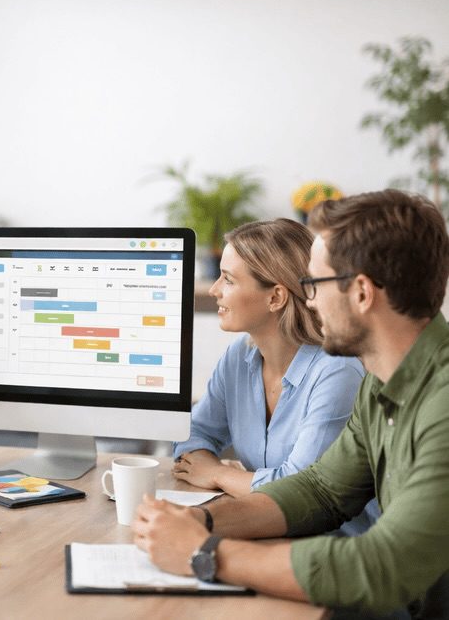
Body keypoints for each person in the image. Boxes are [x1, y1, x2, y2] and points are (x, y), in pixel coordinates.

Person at [132, 190, 449, 617]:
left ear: (360, 293)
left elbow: (382, 566)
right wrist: (204, 522)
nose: (310, 301)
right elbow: (322, 490)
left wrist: (205, 552)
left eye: (314, 284)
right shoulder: (382, 382)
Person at [171, 218, 376, 534]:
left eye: (228, 279)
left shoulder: (337, 371)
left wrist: (218, 474)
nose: (214, 291)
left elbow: (300, 490)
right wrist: (224, 473)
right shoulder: (239, 356)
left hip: (336, 549)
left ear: (276, 297)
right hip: (268, 531)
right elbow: (192, 432)